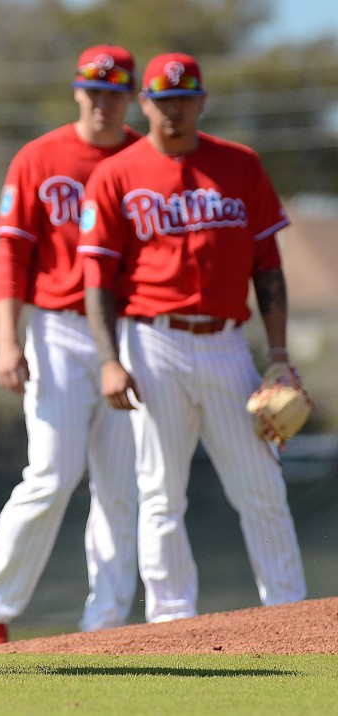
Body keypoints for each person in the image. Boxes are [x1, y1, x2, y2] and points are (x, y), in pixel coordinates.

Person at [78, 52, 307, 623]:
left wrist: (279, 358)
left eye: (184, 99)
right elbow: (98, 280)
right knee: (160, 491)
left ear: (201, 101)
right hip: (153, 341)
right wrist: (110, 360)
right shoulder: (116, 175)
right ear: (145, 103)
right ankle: (171, 618)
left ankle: (289, 613)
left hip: (229, 342)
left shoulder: (241, 166)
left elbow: (269, 269)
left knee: (261, 485)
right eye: (162, 100)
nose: (173, 110)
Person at [0, 45, 141, 647]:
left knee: (122, 482)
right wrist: (7, 339)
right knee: (52, 473)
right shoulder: (39, 157)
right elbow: (12, 252)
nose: (103, 100)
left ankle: (107, 619)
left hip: (129, 331)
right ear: (76, 91)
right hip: (59, 328)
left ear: (132, 95)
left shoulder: (144, 156)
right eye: (94, 89)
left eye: (115, 90)